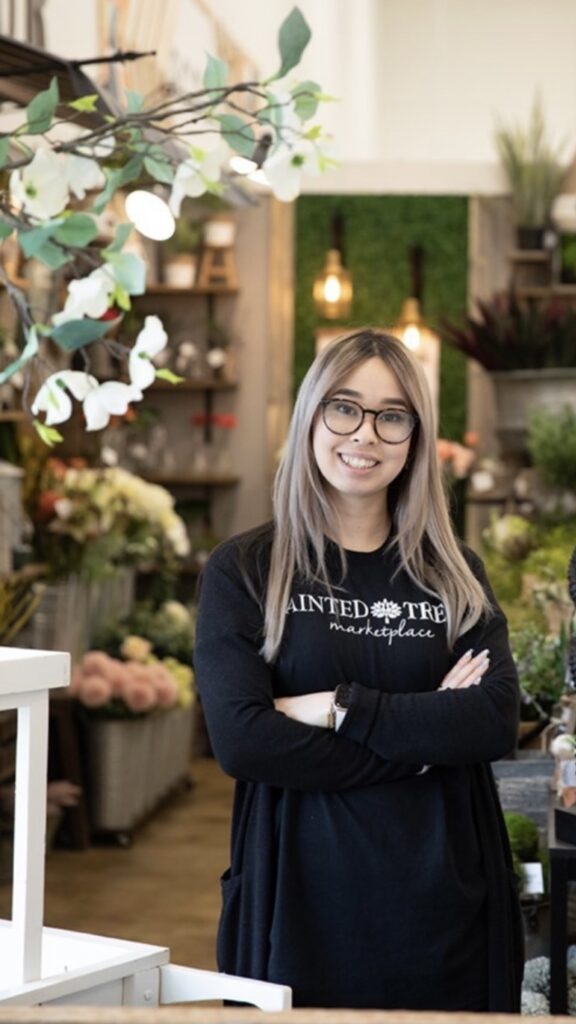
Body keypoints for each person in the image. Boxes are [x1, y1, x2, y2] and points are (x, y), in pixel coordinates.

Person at [194, 328, 523, 1012]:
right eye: (344, 408)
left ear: (415, 438)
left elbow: (491, 721)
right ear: (313, 414)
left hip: (444, 905)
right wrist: (424, 746)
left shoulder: (453, 575)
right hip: (299, 904)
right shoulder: (248, 569)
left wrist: (340, 706)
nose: (365, 435)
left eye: (391, 416)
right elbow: (243, 740)